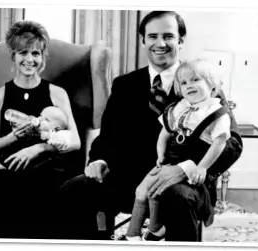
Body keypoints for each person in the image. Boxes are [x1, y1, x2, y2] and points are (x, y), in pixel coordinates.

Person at [59, 11, 242, 241]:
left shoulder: (201, 82)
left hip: (183, 181)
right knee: (74, 190)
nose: (160, 43)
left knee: (178, 197)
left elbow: (233, 143)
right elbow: (108, 137)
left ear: (181, 40)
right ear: (143, 40)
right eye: (153, 36)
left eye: (168, 36)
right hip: (130, 178)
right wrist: (99, 160)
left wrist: (185, 170)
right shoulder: (124, 84)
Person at [0, 20, 80, 239]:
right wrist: (13, 136)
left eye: (36, 53)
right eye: (23, 53)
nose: (30, 60)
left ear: (43, 57)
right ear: (13, 56)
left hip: (47, 164)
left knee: (40, 186)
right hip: (12, 165)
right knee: (10, 185)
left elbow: (75, 141)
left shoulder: (57, 93)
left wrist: (39, 147)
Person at [120, 59, 232, 241]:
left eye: (196, 80)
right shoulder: (180, 107)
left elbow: (219, 143)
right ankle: (136, 233)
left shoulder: (217, 113)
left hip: (192, 168)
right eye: (184, 82)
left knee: (161, 192)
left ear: (212, 86)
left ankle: (153, 230)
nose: (189, 86)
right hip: (170, 161)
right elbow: (165, 132)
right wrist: (160, 155)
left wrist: (201, 167)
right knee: (142, 191)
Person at [0, 105, 69, 170]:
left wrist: (47, 137)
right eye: (40, 116)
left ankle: (3, 167)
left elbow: (59, 145)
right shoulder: (36, 130)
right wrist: (17, 127)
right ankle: (2, 164)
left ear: (56, 128)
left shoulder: (57, 136)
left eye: (46, 119)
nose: (39, 119)